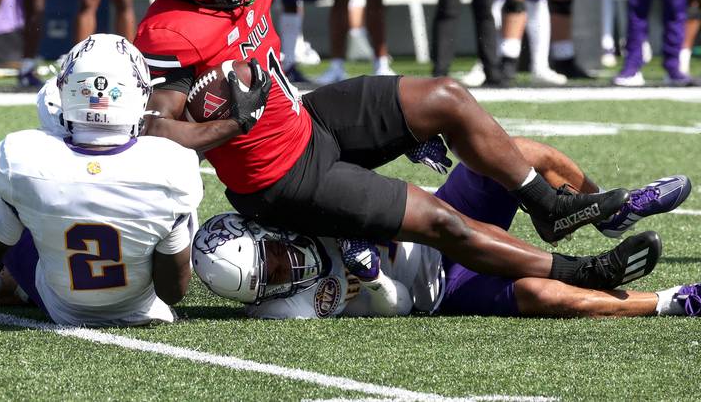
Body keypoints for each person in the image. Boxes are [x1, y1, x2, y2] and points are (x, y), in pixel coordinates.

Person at [134, 0, 637, 299]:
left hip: (306, 121)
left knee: (446, 96)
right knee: (442, 221)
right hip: (278, 178)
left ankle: (547, 205)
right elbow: (155, 130)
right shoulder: (169, 32)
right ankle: (580, 272)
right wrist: (229, 124)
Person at [192, 138, 693, 319]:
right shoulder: (286, 308)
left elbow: (332, 155)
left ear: (262, 232)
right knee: (543, 295)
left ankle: (607, 215)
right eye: (271, 280)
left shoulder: (288, 207)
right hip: (440, 285)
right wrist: (373, 279)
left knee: (518, 153)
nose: (286, 271)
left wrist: (400, 139)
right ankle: (672, 300)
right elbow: (402, 306)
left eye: (273, 260)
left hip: (440, 215)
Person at [0, 35, 204, 327]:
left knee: (2, 224)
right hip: (139, 306)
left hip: (62, 306)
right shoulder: (174, 164)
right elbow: (172, 292)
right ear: (138, 94)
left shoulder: (26, 158)